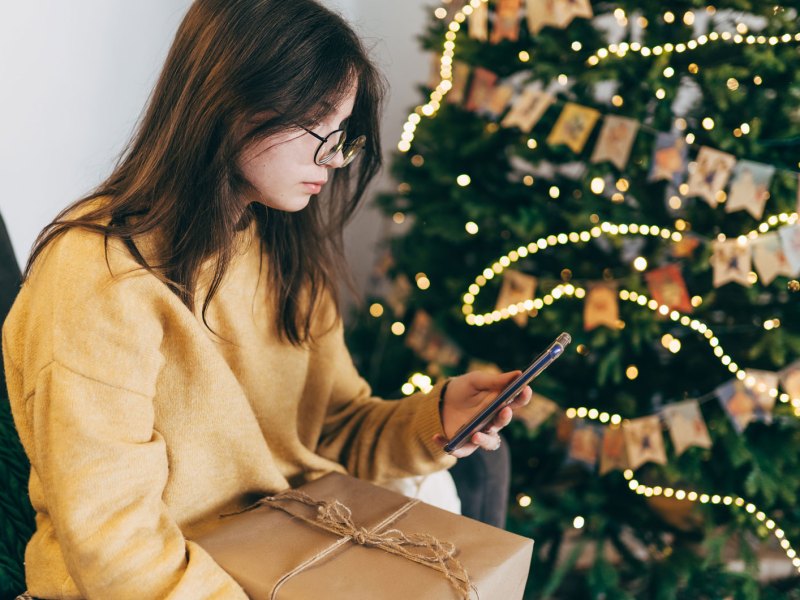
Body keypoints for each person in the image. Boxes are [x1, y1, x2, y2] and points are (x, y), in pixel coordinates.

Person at [2, 1, 531, 598]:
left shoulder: (279, 247)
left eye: (344, 136)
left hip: (284, 557)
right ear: (231, 106)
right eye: (320, 130)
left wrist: (435, 420)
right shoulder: (99, 273)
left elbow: (333, 431)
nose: (332, 160)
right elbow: (115, 542)